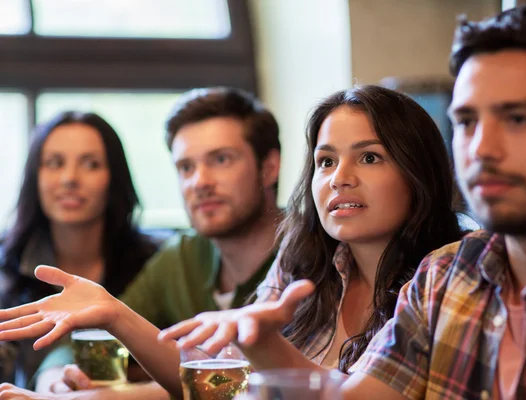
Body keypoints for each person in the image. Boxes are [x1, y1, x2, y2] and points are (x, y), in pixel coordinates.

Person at [139, 5, 526, 399]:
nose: (482, 148)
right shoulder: (444, 277)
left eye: (518, 119)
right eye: (466, 122)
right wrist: (261, 341)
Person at [0, 84, 463, 399]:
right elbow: (216, 383)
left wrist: (260, 342)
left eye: (369, 157)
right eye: (325, 162)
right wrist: (108, 315)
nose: (340, 178)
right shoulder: (303, 255)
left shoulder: (445, 272)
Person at [31, 87, 283, 399]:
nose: (199, 181)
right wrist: (54, 380)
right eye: (186, 167)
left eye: (221, 159)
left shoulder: (314, 254)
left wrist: (108, 398)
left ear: (270, 167)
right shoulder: (182, 255)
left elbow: (269, 382)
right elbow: (100, 334)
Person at [0, 111, 159, 387]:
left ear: (113, 177)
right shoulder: (6, 268)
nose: (69, 178)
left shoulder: (153, 264)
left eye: (91, 164)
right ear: (35, 177)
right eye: (54, 163)